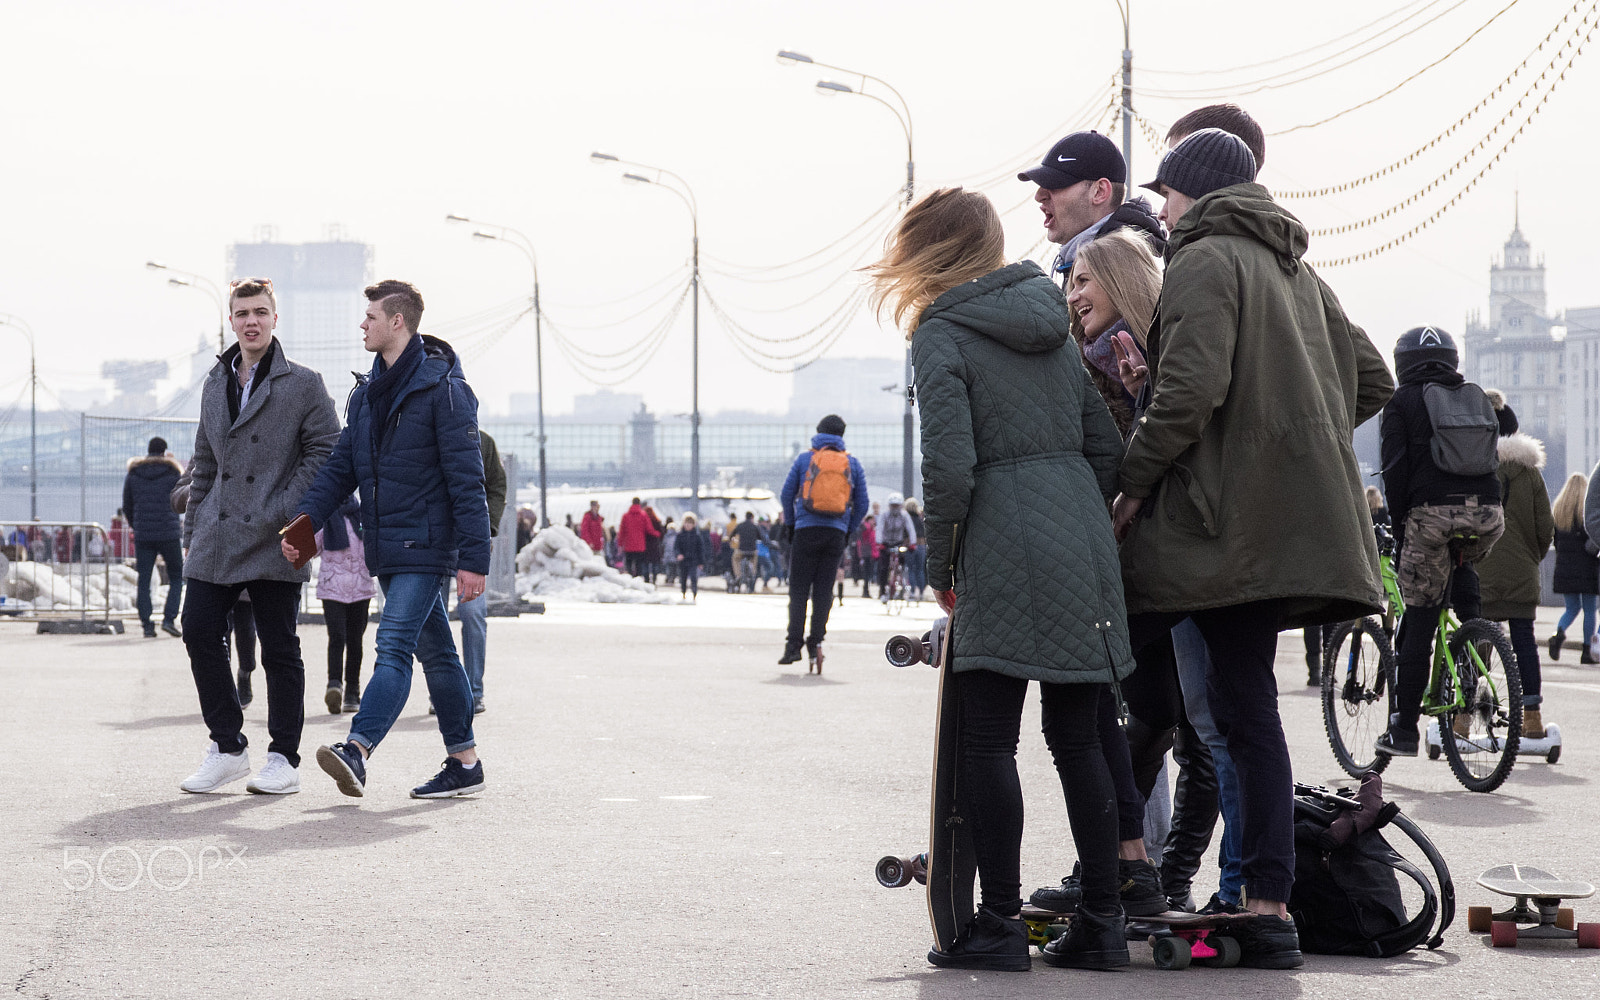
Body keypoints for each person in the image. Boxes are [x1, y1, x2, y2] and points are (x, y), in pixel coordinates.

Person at [1115, 129, 1393, 967]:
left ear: (1190, 192)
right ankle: (1266, 904)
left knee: (1102, 676)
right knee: (1247, 714)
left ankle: (1130, 874)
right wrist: (1285, 446)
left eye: (1165, 195)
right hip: (1284, 533)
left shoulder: (1203, 258)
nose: (1161, 211)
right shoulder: (1297, 269)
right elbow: (1373, 379)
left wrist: (1131, 482)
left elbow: (1194, 390)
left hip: (1216, 535)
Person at [869, 187, 1135, 972]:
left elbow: (949, 466)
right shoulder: (1053, 320)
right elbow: (1106, 447)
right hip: (1081, 536)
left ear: (928, 252)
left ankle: (999, 922)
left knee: (988, 738)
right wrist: (1078, 514)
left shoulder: (941, 329)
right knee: (1080, 736)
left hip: (998, 538)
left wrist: (942, 564)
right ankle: (1105, 922)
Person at [288, 279, 491, 800]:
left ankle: (357, 750)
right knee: (440, 655)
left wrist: (474, 559)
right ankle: (464, 760)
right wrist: (306, 521)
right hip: (387, 546)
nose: (363, 324)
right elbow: (340, 468)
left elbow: (469, 481)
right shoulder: (366, 393)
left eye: (371, 316)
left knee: (394, 645)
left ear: (397, 321)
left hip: (426, 545)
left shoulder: (444, 389)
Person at [178, 277, 341, 796]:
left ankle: (283, 759)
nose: (252, 321)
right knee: (198, 629)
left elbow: (326, 453)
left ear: (275, 319)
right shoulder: (213, 382)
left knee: (279, 649)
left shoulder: (304, 383)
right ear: (232, 320)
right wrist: (193, 526)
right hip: (217, 532)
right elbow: (204, 463)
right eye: (243, 313)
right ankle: (227, 747)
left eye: (261, 312)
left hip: (276, 535)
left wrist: (284, 508)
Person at [1376, 325, 1505, 758]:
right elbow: (1505, 434)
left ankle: (1404, 730)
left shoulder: (1401, 402)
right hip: (1489, 513)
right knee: (1463, 563)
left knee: (1422, 615)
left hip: (1431, 517)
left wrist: (1398, 528)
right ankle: (1473, 645)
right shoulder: (1475, 394)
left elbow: (1394, 471)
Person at [1475, 400, 1553, 737]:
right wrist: (1531, 558)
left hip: (1481, 572)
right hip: (1522, 573)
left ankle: (1463, 718)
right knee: (1524, 644)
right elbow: (1545, 527)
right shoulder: (1531, 474)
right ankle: (1532, 718)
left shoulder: (1476, 470)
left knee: (1476, 642)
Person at [1018, 130, 1165, 288]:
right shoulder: (1086, 260)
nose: (1039, 196)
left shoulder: (1121, 267)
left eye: (1055, 183)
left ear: (1099, 191)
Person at [778, 414, 869, 665]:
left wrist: (790, 523)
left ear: (818, 432)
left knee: (798, 590)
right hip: (835, 534)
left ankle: (793, 645)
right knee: (823, 590)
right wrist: (847, 528)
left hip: (806, 531)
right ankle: (816, 641)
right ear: (842, 436)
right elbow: (863, 504)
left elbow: (786, 495)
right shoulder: (852, 464)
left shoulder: (805, 459)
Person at [172, 459, 259, 706]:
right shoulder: (208, 451)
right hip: (213, 556)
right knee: (214, 629)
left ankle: (245, 673)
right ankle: (226, 685)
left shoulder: (258, 449)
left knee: (246, 625)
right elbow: (176, 498)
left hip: (248, 551)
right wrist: (204, 485)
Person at [451, 429, 506, 715]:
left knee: (473, 615)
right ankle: (445, 690)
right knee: (430, 620)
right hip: (432, 541)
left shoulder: (483, 442)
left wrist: (489, 527)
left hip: (470, 542)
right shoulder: (426, 433)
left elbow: (497, 487)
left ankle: (473, 690)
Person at [316, 494, 376, 714]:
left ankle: (353, 691)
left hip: (361, 589)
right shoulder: (325, 515)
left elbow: (373, 547)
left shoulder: (362, 515)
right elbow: (312, 548)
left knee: (355, 640)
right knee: (337, 637)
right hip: (332, 589)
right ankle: (334, 685)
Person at [122, 436, 185, 638]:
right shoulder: (172, 472)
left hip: (144, 535)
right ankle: (168, 619)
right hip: (169, 533)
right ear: (165, 451)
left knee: (144, 580)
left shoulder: (133, 473)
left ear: (148, 451)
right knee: (177, 577)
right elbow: (181, 499)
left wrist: (137, 525)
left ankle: (147, 625)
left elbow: (127, 505)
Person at [1550, 473, 1598, 663]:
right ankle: (1587, 650)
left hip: (1564, 568)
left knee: (1571, 608)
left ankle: (1558, 633)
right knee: (1589, 609)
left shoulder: (1559, 510)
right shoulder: (1584, 512)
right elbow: (1593, 538)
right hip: (1586, 568)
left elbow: (1555, 540)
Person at [875, 493, 917, 603]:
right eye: (892, 505)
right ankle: (883, 591)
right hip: (886, 543)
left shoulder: (904, 515)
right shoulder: (884, 515)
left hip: (899, 543)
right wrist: (879, 542)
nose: (894, 508)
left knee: (903, 563)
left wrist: (913, 543)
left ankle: (902, 580)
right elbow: (879, 529)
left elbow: (910, 529)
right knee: (883, 567)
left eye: (896, 505)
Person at [618, 497, 656, 578]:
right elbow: (649, 529)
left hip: (628, 546)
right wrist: (657, 534)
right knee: (639, 566)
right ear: (639, 504)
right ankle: (637, 580)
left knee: (629, 565)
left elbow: (622, 531)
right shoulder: (643, 515)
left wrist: (620, 544)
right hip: (640, 546)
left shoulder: (625, 516)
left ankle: (629, 579)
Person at [675, 513, 706, 599]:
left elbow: (700, 550)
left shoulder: (697, 536)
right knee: (683, 577)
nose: (688, 525)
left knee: (693, 577)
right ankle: (683, 592)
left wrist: (701, 562)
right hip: (683, 560)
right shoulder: (680, 535)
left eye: (690, 523)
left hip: (693, 560)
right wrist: (678, 554)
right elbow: (676, 547)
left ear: (693, 524)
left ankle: (694, 592)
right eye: (686, 523)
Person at [730, 511, 762, 593]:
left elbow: (732, 535)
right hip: (752, 551)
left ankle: (738, 575)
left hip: (741, 550)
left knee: (735, 558)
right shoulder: (755, 527)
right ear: (752, 518)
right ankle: (753, 574)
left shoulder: (740, 525)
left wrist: (731, 540)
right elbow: (762, 537)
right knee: (754, 560)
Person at [903, 497, 927, 602]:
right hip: (922, 545)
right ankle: (921, 592)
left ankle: (912, 591)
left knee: (911, 569)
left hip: (910, 545)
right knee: (920, 569)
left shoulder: (906, 519)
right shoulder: (920, 519)